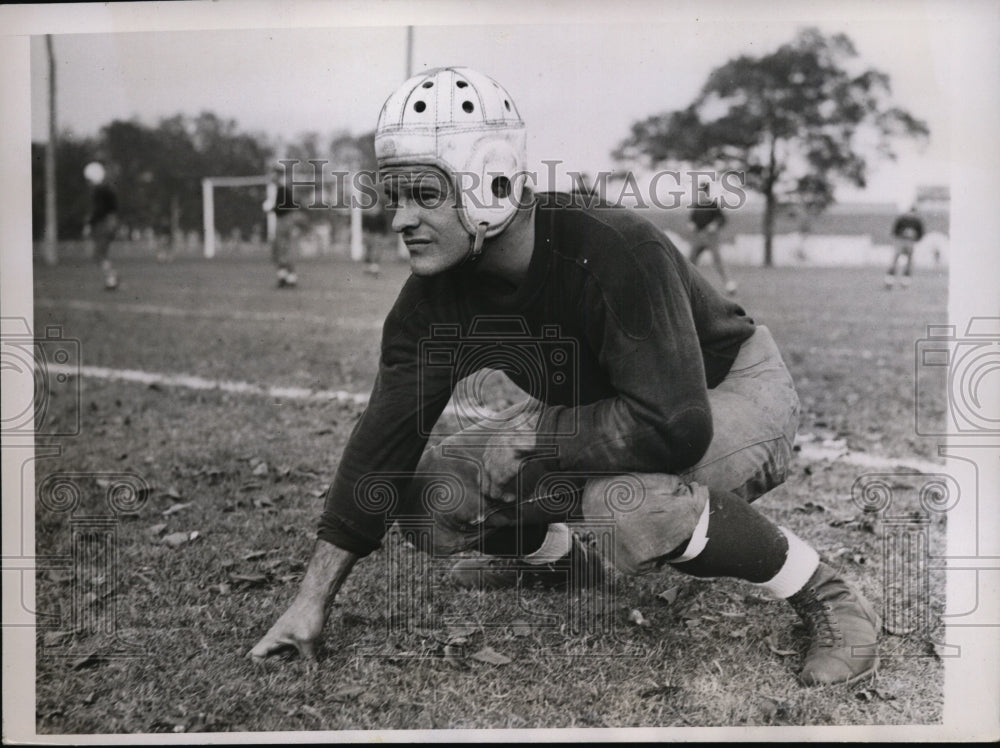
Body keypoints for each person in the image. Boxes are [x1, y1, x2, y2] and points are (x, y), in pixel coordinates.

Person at [249, 67, 879, 687]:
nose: (400, 220)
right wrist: (312, 598)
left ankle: (826, 593)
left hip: (726, 392)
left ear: (487, 181)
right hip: (609, 414)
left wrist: (537, 439)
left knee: (623, 503)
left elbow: (675, 425)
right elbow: (380, 443)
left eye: (423, 194)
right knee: (426, 498)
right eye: (396, 198)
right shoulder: (434, 297)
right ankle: (558, 561)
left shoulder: (615, 245)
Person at [688, 180, 737, 296]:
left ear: (707, 192)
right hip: (699, 237)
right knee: (690, 261)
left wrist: (715, 224)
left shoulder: (713, 205)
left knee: (717, 261)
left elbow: (722, 219)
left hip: (711, 238)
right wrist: (691, 224)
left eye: (702, 192)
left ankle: (729, 284)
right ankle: (688, 285)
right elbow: (692, 220)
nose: (700, 194)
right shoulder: (697, 206)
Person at [82, 161, 119, 290]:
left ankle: (112, 278)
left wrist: (89, 223)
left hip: (104, 224)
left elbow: (99, 210)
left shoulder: (99, 190)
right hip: (110, 223)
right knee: (101, 254)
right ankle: (111, 278)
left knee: (99, 254)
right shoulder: (108, 188)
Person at [262, 165, 301, 288]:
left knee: (283, 249)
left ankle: (289, 277)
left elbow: (285, 208)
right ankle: (285, 276)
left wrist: (271, 208)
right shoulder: (278, 189)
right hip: (282, 221)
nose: (271, 177)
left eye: (273, 174)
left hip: (284, 221)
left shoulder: (283, 190)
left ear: (277, 175)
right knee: (280, 250)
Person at [885, 204, 925, 289]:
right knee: (895, 260)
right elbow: (894, 231)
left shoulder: (917, 222)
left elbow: (921, 233)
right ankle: (889, 281)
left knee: (909, 262)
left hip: (910, 242)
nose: (912, 214)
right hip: (900, 241)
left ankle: (905, 282)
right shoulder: (902, 220)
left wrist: (914, 236)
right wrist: (903, 233)